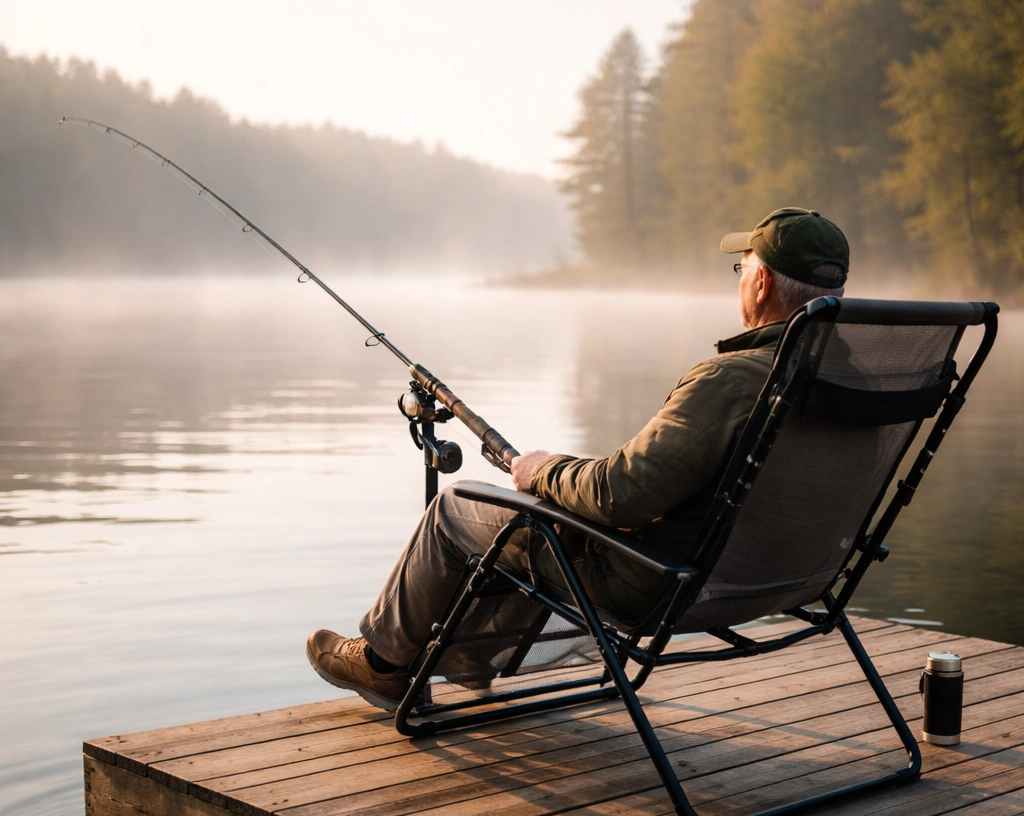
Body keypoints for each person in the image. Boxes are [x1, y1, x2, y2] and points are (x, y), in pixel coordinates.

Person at [306, 207, 850, 710]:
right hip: (796, 579)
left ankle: (382, 662)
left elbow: (621, 496)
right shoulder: (856, 381)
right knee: (548, 508)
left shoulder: (734, 380)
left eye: (742, 267)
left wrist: (540, 470)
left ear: (762, 281)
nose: (739, 279)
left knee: (458, 508)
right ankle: (468, 659)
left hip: (661, 586)